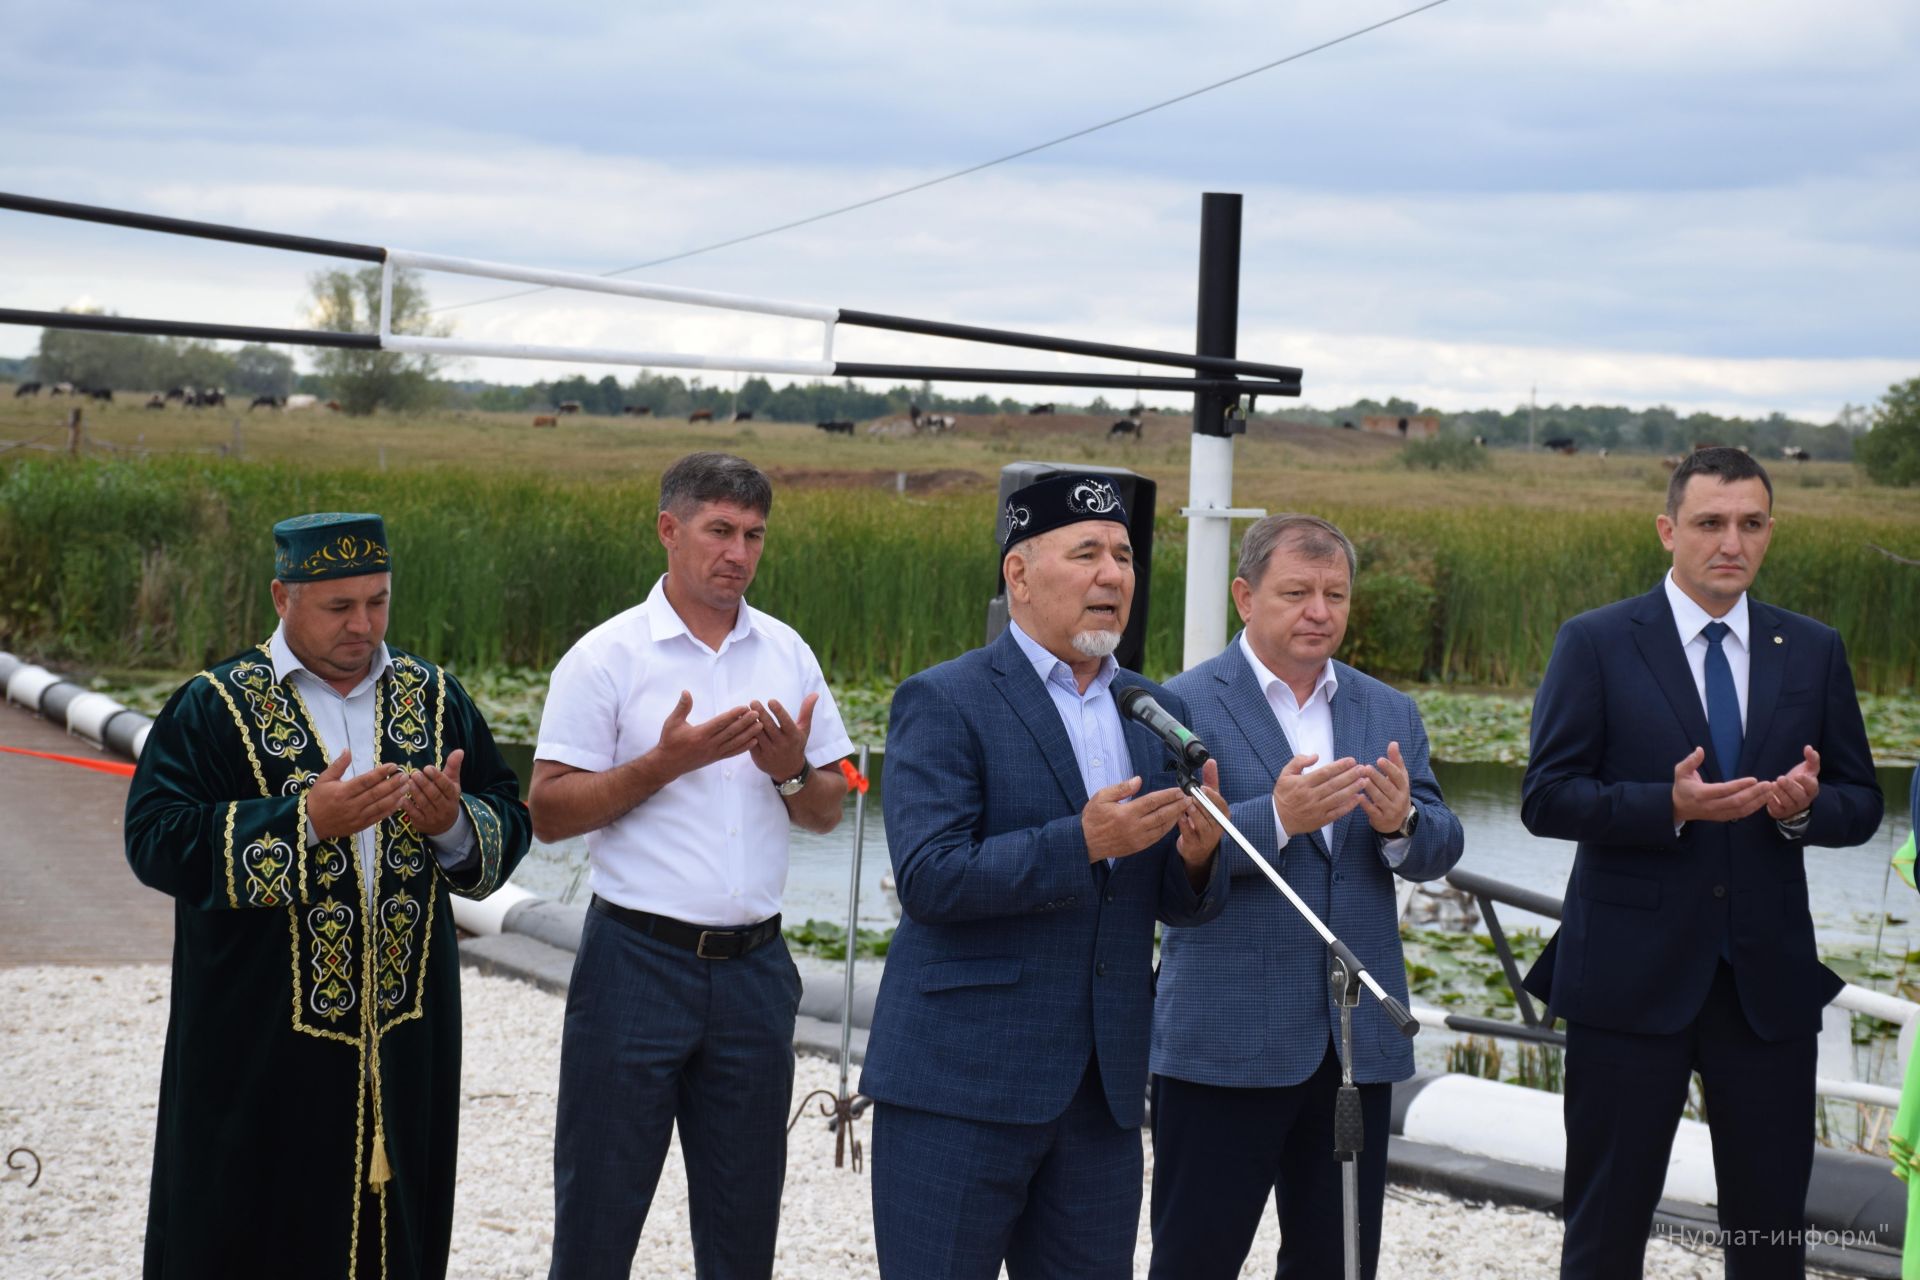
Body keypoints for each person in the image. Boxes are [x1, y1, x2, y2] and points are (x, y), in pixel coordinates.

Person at [125, 511, 531, 1280]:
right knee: (243, 1230)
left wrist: (453, 825)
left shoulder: (434, 697)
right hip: (257, 1043)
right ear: (282, 596)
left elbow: (509, 813)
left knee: (399, 1238)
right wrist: (303, 821)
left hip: (408, 1040)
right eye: (339, 606)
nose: (363, 625)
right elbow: (153, 839)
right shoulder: (212, 706)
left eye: (377, 602)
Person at [1522, 447, 1883, 1278]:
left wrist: (1803, 811)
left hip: (1765, 986)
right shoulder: (1599, 641)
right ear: (1667, 530)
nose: (1732, 542)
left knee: (1768, 1236)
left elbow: (1859, 804)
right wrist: (1666, 805)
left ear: (1769, 531)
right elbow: (1546, 798)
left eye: (1751, 524)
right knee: (1606, 1227)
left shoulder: (1814, 648)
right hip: (1626, 981)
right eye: (1710, 523)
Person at [860, 472, 1228, 1280]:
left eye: (1126, 557)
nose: (1113, 576)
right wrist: (1082, 842)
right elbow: (929, 878)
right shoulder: (946, 700)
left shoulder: (1152, 710)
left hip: (1101, 1095)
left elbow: (1160, 897)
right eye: (1087, 553)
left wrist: (1197, 859)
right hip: (961, 1084)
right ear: (1017, 575)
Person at [530, 452, 853, 1280]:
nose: (737, 553)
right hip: (635, 964)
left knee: (744, 1225)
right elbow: (548, 812)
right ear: (670, 531)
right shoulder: (604, 658)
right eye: (719, 531)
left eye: (753, 536)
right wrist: (659, 765)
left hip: (755, 973)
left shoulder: (788, 653)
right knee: (599, 1215)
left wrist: (787, 767)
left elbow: (825, 811)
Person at [1149, 513, 1465, 1280]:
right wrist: (1276, 821)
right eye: (1296, 593)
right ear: (1244, 596)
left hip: (1354, 1045)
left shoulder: (1388, 710)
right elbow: (1161, 866)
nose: (1319, 612)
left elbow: (1442, 842)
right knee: (1195, 1258)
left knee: (1340, 1262)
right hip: (1222, 1043)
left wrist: (1403, 824)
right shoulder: (1177, 706)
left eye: (1335, 594)